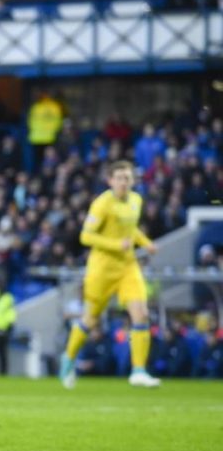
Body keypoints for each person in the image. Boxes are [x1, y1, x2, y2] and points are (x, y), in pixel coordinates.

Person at [59, 160, 161, 389]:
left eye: (128, 177)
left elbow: (131, 229)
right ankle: (68, 358)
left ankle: (138, 371)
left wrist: (146, 243)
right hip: (102, 269)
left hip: (127, 267)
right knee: (90, 320)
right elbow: (86, 236)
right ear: (110, 181)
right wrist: (116, 244)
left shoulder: (136, 200)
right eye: (120, 178)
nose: (124, 182)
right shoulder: (102, 203)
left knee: (141, 313)